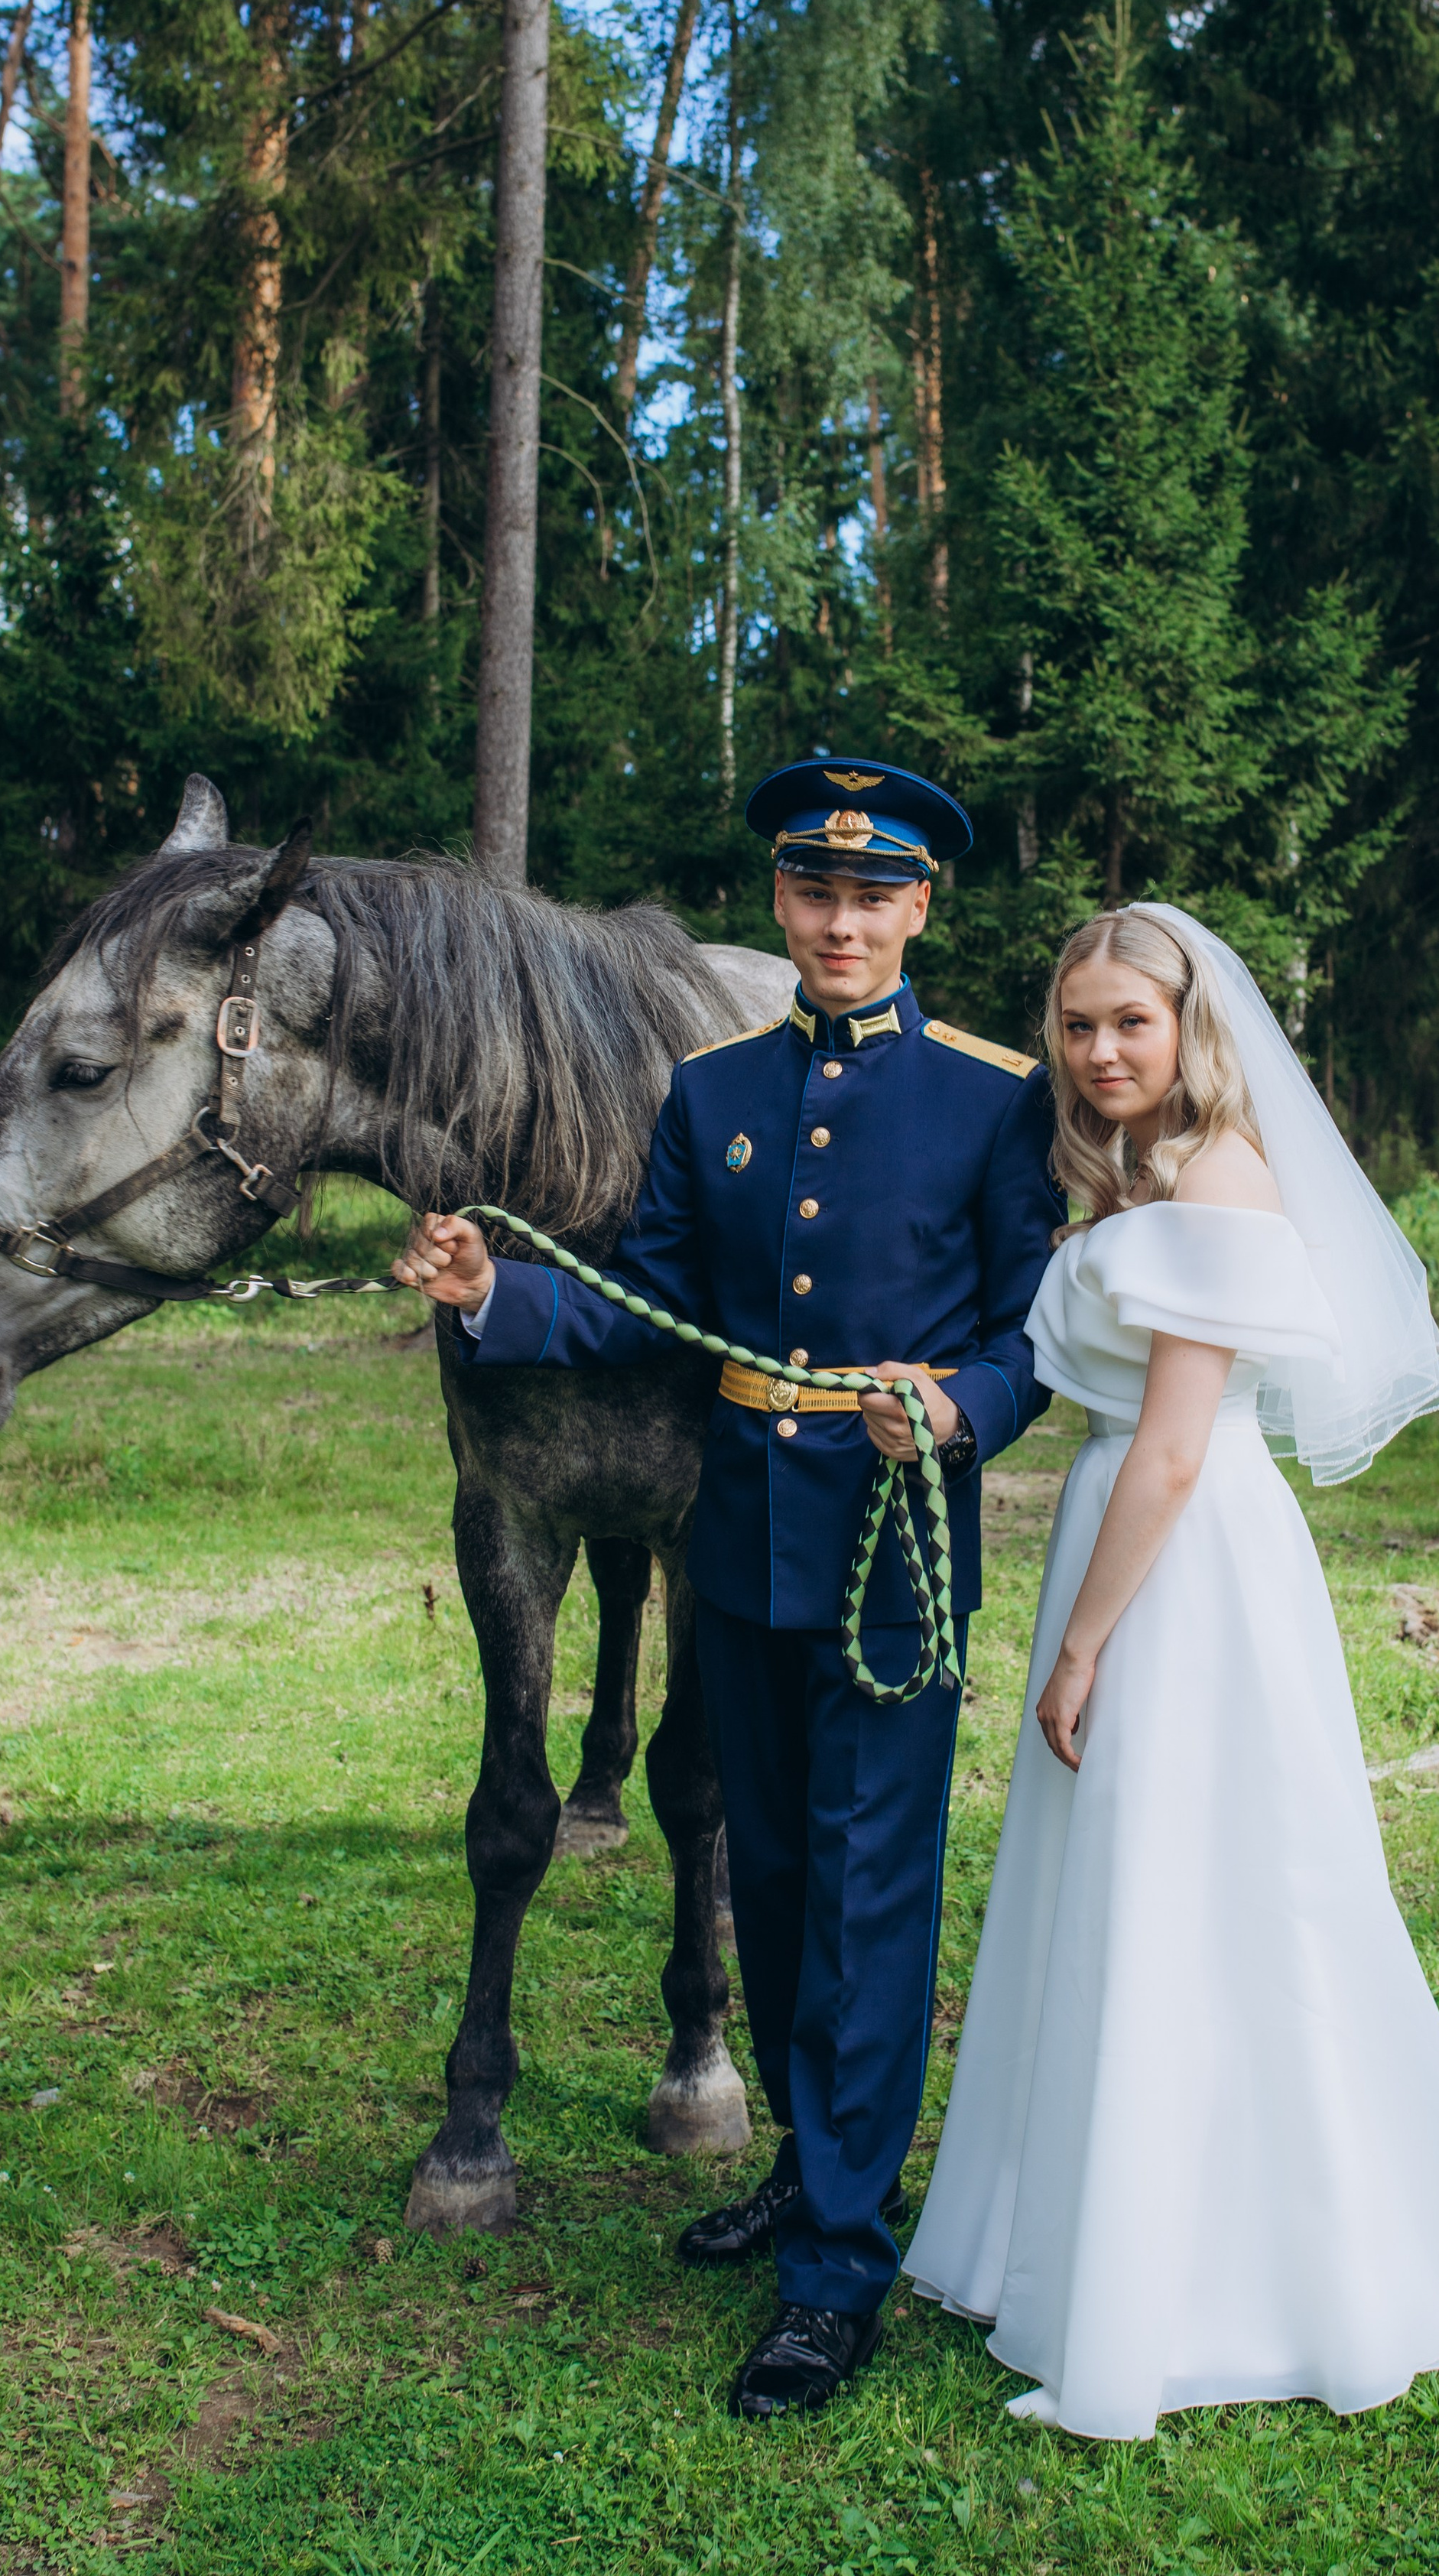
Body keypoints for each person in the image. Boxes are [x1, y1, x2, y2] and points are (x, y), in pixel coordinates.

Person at [395, 759, 1064, 2417]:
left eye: (872, 895)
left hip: (892, 1545)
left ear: (918, 909)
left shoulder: (993, 1097)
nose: (839, 921)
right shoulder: (710, 1093)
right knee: (761, 1870)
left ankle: (838, 2262)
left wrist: (967, 1411)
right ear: (780, 903)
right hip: (743, 1530)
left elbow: (1026, 1331)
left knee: (867, 1896)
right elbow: (648, 1310)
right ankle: (799, 2165)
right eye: (813, 891)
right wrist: (495, 1296)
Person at [904, 905, 1439, 2437]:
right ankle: (1066, 2238)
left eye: (1129, 1020)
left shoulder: (1217, 1171)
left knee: (1201, 1888)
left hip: (1180, 1568)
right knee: (1110, 1890)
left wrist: (1076, 1646)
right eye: (1075, 1024)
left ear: (1188, 1027)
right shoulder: (1124, 1171)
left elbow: (1179, 1447)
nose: (1099, 1049)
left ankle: (1223, 2278)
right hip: (1129, 1534)